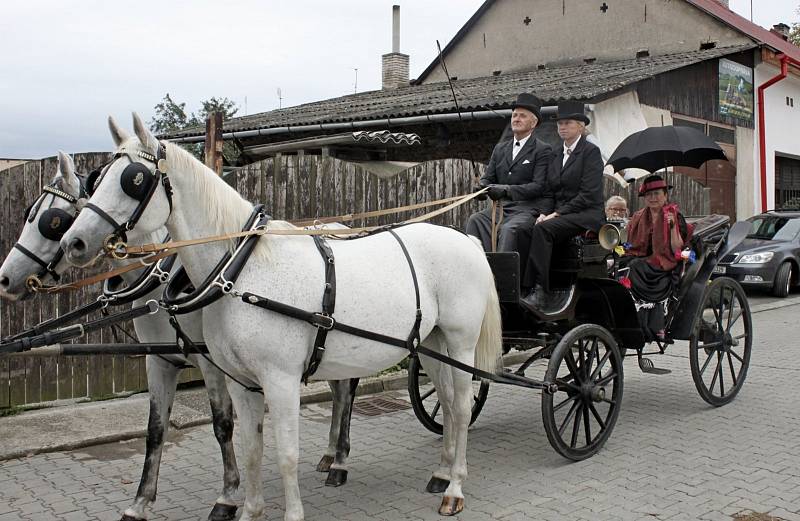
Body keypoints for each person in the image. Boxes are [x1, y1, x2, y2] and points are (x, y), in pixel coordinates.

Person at [521, 100, 605, 314]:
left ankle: (539, 289)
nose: (562, 127)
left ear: (581, 126)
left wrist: (556, 214)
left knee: (543, 229)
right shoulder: (555, 153)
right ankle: (522, 285)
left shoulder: (591, 152)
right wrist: (544, 213)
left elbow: (589, 194)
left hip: (586, 214)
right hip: (561, 215)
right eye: (560, 124)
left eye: (568, 123)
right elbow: (549, 191)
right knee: (528, 225)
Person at [466, 93, 553, 256]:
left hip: (526, 210)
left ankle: (504, 278)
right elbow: (489, 177)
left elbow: (539, 186)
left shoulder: (543, 150)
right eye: (514, 115)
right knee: (475, 220)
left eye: (522, 116)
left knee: (508, 229)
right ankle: (479, 267)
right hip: (500, 209)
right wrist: (481, 187)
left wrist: (506, 190)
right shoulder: (500, 148)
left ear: (534, 123)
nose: (516, 119)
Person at [621, 174, 693, 341]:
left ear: (665, 195)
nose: (653, 198)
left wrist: (673, 226)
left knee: (633, 267)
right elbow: (632, 244)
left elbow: (678, 249)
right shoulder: (639, 216)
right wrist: (620, 251)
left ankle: (650, 321)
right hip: (642, 258)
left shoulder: (673, 215)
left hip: (666, 262)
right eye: (649, 195)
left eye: (657, 194)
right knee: (618, 265)